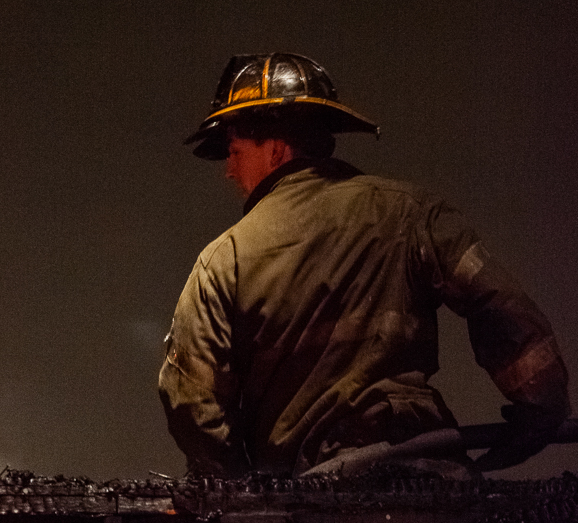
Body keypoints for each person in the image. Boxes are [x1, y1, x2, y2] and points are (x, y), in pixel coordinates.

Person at [159, 52, 571, 479]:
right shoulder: (414, 214)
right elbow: (499, 302)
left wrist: (242, 488)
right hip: (432, 476)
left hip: (308, 505)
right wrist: (540, 408)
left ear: (276, 148)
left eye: (235, 150)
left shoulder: (224, 260)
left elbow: (190, 399)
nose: (228, 170)